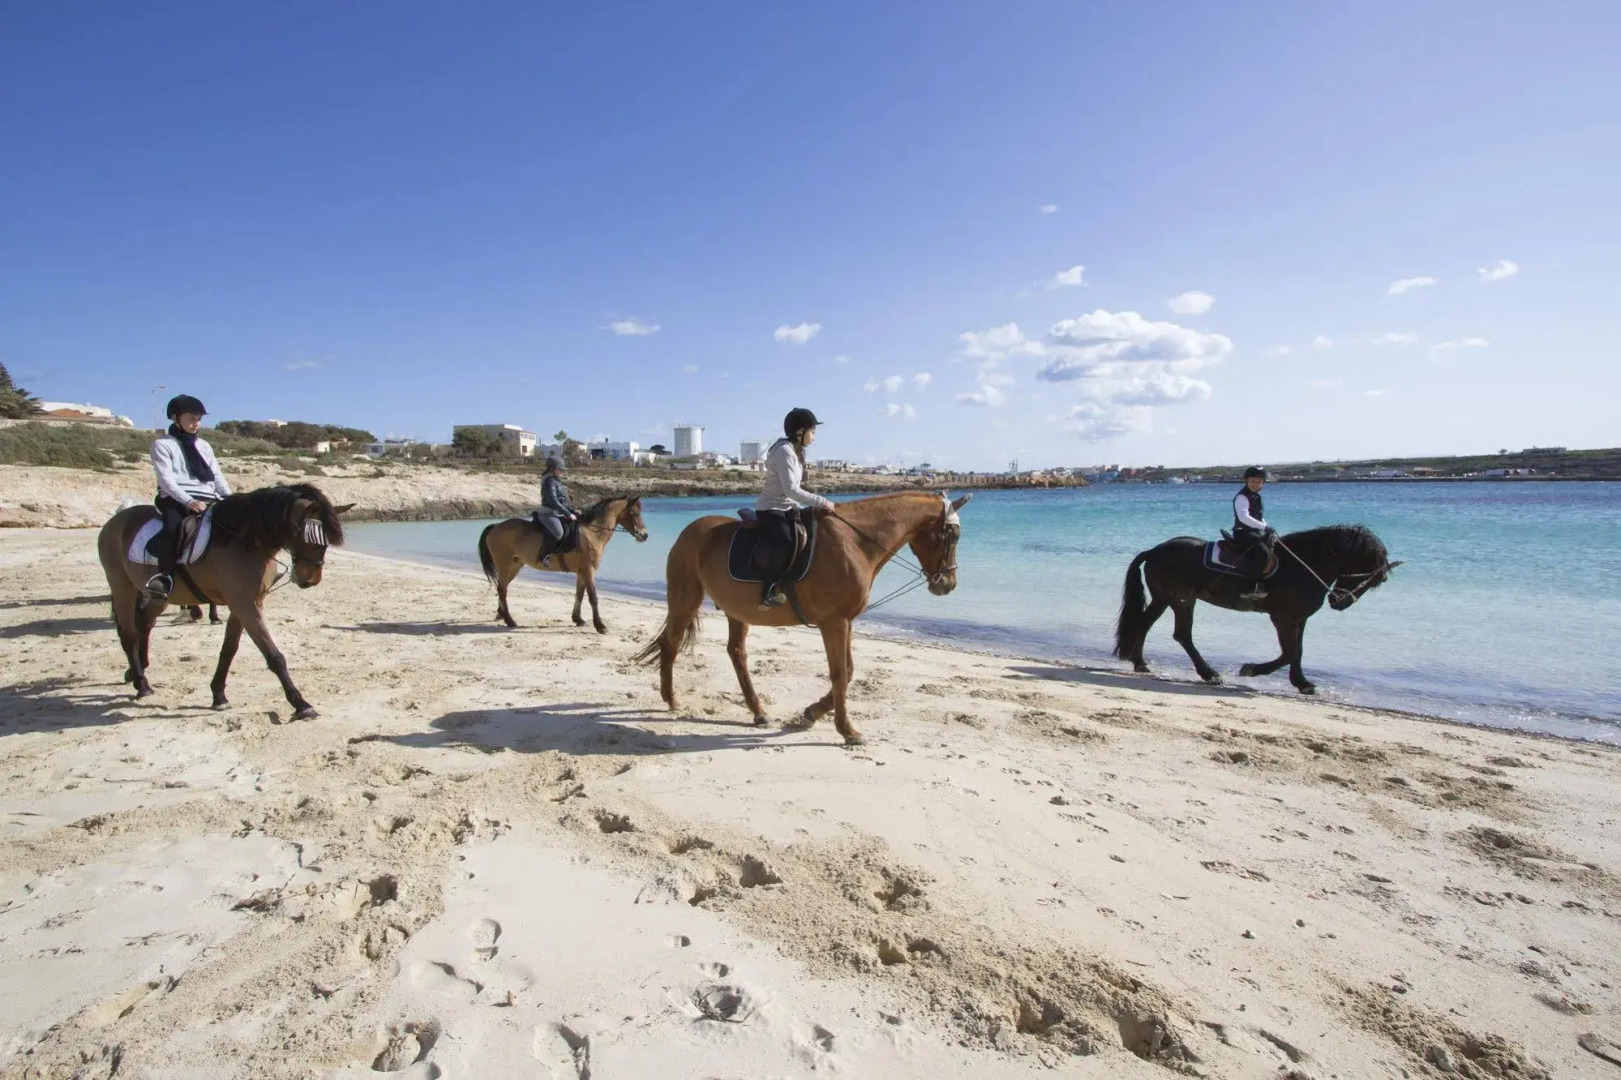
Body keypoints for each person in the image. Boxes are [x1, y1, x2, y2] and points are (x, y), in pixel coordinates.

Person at [146, 394, 231, 600]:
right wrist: (188, 501)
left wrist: (230, 498)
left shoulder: (204, 446)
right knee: (174, 528)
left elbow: (217, 476)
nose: (196, 424)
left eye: (198, 419)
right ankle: (164, 576)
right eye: (191, 419)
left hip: (208, 497)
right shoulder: (162, 445)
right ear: (176, 418)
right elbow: (166, 481)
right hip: (176, 499)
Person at [756, 407, 836, 608]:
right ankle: (769, 589)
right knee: (786, 540)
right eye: (813, 432)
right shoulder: (784, 452)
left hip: (787, 507)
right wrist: (822, 502)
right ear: (799, 432)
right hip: (771, 508)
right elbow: (791, 490)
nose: (814, 437)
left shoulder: (795, 451)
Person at [1231, 466, 1275, 600]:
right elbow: (1244, 517)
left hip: (1255, 532)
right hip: (1243, 533)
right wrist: (1264, 527)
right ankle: (1247, 587)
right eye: (1252, 481)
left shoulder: (1256, 497)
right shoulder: (1241, 497)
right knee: (1263, 553)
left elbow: (1258, 517)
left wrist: (1267, 527)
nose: (1255, 484)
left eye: (1258, 482)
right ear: (1246, 481)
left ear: (1262, 483)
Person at [532, 456, 578, 567]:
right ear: (552, 469)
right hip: (548, 513)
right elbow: (553, 502)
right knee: (558, 533)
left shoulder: (556, 481)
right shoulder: (549, 481)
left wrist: (572, 511)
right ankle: (543, 556)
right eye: (560, 469)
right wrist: (568, 514)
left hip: (557, 512)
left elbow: (562, 501)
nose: (562, 472)